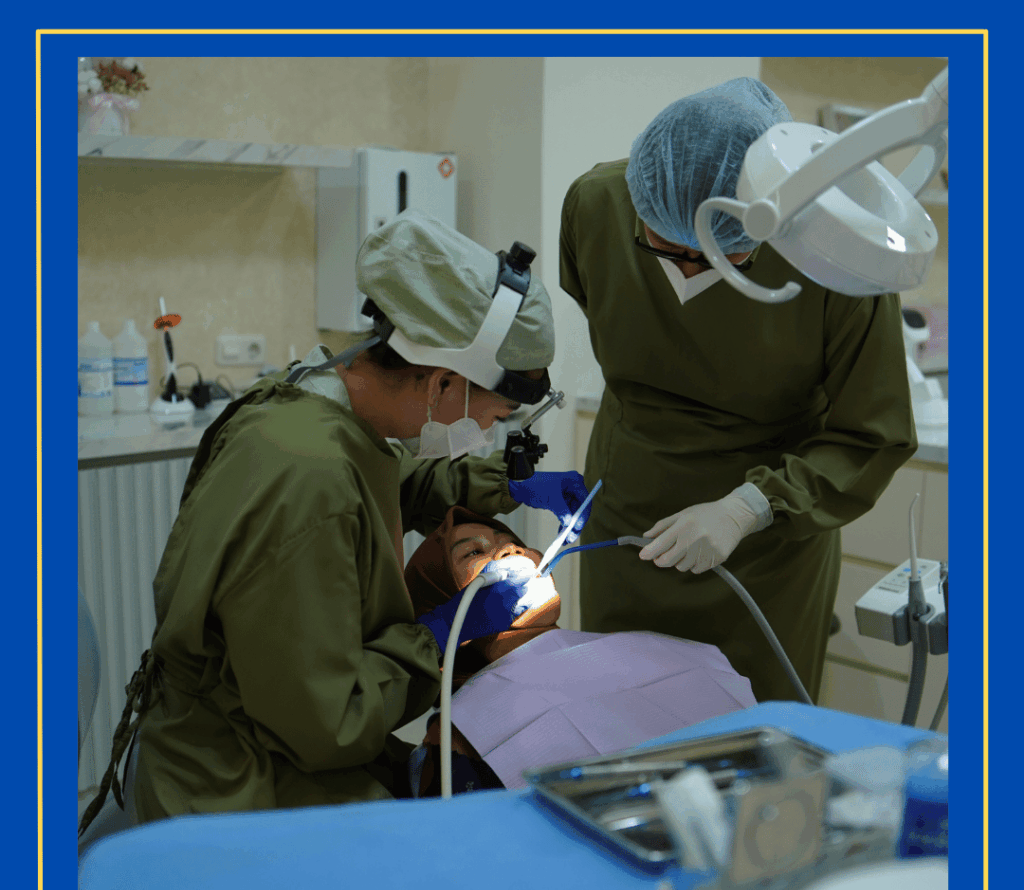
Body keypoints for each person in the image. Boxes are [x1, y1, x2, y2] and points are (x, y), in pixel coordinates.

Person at [78, 210, 592, 833]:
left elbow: (384, 479)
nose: (490, 430)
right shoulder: (304, 477)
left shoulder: (321, 398)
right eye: (498, 412)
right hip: (235, 788)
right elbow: (331, 723)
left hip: (273, 738)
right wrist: (438, 636)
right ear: (442, 383)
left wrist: (508, 486)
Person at [559, 77, 918, 705]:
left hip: (768, 543)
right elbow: (600, 303)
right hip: (629, 510)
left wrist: (748, 507)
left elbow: (872, 434)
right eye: (664, 247)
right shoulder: (597, 204)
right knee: (617, 714)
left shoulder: (837, 255)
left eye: (723, 255)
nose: (688, 269)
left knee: (755, 733)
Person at [403, 507, 757, 796]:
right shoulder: (458, 735)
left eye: (512, 542)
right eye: (474, 552)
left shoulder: (652, 648)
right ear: (442, 600)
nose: (513, 551)